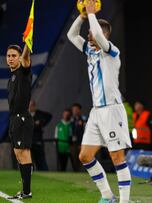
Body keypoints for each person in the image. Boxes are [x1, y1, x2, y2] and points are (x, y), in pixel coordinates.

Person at [67, 0, 132, 202]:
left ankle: (124, 201)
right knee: (84, 156)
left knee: (117, 158)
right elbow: (71, 35)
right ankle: (107, 196)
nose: (89, 36)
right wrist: (83, 16)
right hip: (96, 112)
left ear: (103, 35)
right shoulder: (90, 50)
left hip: (112, 110)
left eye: (93, 33)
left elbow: (96, 34)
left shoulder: (112, 51)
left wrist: (92, 13)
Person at [6, 44, 34, 199]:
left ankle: (26, 191)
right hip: (15, 119)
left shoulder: (23, 71)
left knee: (22, 154)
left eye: (13, 56)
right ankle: (26, 190)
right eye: (8, 56)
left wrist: (27, 44)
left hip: (21, 118)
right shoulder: (11, 77)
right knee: (20, 154)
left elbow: (25, 58)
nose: (10, 58)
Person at [29, 100, 52, 171]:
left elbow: (49, 116)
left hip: (37, 141)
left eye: (32, 105)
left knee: (40, 160)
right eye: (29, 105)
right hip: (28, 141)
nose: (30, 107)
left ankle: (44, 173)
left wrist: (42, 123)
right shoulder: (25, 115)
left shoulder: (39, 114)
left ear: (34, 106)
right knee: (29, 160)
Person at [71, 103, 86, 172]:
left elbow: (85, 131)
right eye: (73, 110)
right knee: (74, 158)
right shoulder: (72, 120)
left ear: (80, 110)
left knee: (82, 159)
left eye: (76, 110)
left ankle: (82, 172)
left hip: (81, 143)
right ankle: (76, 172)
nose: (74, 111)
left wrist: (82, 143)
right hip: (74, 143)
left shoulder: (84, 119)